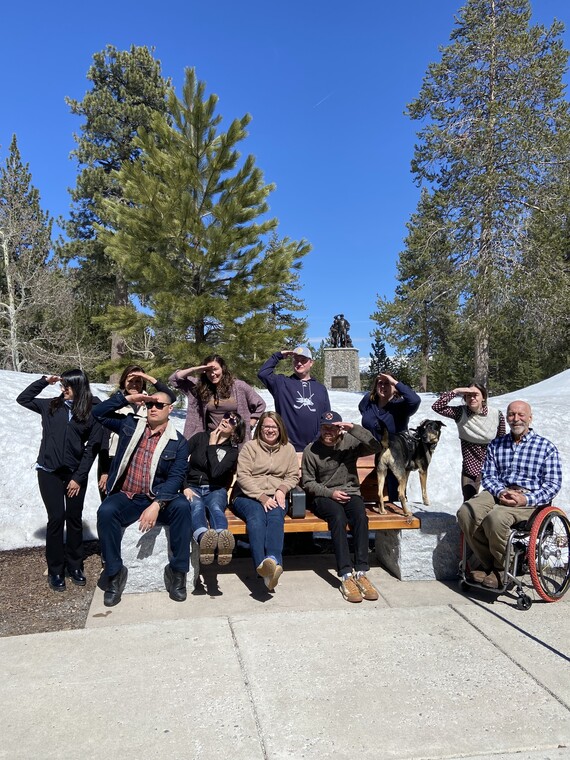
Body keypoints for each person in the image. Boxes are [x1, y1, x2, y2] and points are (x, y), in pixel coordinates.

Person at [94, 387, 191, 606]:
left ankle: (177, 572)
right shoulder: (130, 425)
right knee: (106, 512)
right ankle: (115, 572)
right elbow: (97, 413)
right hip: (128, 496)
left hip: (159, 498)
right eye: (150, 404)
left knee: (183, 508)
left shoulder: (178, 441)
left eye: (159, 405)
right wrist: (127, 399)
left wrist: (157, 504)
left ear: (170, 409)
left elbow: (176, 478)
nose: (153, 408)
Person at [457, 400, 562, 589]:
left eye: (521, 415)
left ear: (530, 418)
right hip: (500, 491)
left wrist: (524, 498)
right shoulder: (497, 444)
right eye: (512, 415)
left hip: (530, 500)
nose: (516, 419)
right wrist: (502, 491)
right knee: (466, 512)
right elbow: (488, 476)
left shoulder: (546, 448)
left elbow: (553, 485)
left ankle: (503, 569)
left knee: (496, 518)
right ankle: (492, 564)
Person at [17, 371, 102, 592]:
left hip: (75, 474)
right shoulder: (51, 406)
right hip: (49, 472)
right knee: (56, 518)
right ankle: (55, 569)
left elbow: (91, 450)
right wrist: (44, 382)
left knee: (74, 518)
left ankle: (75, 565)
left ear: (80, 388)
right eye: (62, 385)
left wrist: (78, 478)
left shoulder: (90, 412)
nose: (64, 389)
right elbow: (23, 399)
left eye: (69, 386)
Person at [302, 411, 383, 603]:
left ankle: (361, 571)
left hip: (350, 492)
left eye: (332, 427)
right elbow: (308, 483)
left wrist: (353, 428)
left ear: (339, 429)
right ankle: (346, 574)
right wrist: (331, 494)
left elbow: (375, 445)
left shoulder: (350, 444)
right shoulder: (311, 450)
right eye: (324, 427)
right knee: (337, 518)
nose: (328, 431)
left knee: (360, 517)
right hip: (323, 495)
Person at [232, 411, 299, 590]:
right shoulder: (250, 447)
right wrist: (261, 497)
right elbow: (243, 477)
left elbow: (293, 475)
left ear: (280, 428)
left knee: (276, 516)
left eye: (273, 426)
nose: (270, 430)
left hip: (275, 495)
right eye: (266, 426)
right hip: (246, 496)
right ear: (260, 428)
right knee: (257, 517)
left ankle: (273, 562)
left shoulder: (288, 449)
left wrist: (281, 490)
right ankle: (261, 567)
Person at [97, 365, 172, 500]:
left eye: (138, 381)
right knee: (109, 505)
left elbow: (170, 397)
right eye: (130, 381)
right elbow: (103, 436)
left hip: (138, 461)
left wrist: (149, 378)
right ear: (123, 382)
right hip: (112, 460)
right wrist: (105, 470)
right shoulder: (115, 402)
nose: (134, 385)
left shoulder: (151, 404)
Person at [184, 412, 245, 566]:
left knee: (216, 508)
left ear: (235, 431)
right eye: (226, 416)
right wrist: (184, 487)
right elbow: (180, 460)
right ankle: (204, 538)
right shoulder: (200, 438)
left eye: (232, 421)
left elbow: (216, 472)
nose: (226, 420)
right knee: (196, 506)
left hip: (215, 489)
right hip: (192, 487)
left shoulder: (231, 451)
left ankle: (222, 538)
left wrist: (212, 445)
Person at [432, 383, 506, 500]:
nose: (472, 398)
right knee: (469, 501)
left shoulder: (496, 414)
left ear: (483, 397)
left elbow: (503, 441)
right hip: (471, 466)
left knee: (494, 501)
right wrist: (456, 391)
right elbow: (437, 407)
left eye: (475, 395)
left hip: (493, 466)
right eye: (468, 395)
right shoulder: (460, 413)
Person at [169, 354, 265, 441]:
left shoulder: (238, 386)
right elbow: (174, 379)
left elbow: (260, 404)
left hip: (235, 438)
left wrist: (249, 425)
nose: (212, 374)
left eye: (215, 369)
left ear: (223, 368)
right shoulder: (200, 386)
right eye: (208, 371)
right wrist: (194, 369)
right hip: (210, 437)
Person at [359, 372, 421, 503]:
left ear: (394, 386)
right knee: (371, 492)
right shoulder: (369, 403)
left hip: (395, 455)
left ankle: (399, 513)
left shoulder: (401, 406)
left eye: (387, 383)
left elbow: (415, 400)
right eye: (380, 383)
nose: (383, 386)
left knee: (396, 494)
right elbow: (362, 411)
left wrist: (395, 382)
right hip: (371, 453)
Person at [257, 345, 331, 452]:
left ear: (311, 363)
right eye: (296, 360)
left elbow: (326, 417)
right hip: (287, 446)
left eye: (303, 360)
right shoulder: (281, 384)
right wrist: (278, 356)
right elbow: (263, 373)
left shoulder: (320, 388)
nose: (299, 363)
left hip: (316, 447)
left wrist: (318, 439)